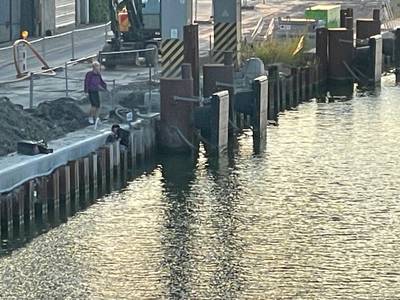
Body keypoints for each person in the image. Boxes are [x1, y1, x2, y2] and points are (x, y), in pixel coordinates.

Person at [84, 61, 107, 128]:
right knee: (94, 105)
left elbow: (101, 81)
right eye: (98, 66)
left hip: (96, 90)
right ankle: (90, 117)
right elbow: (86, 82)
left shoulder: (98, 74)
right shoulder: (89, 74)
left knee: (98, 105)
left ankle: (96, 118)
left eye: (99, 66)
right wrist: (86, 91)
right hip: (91, 91)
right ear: (94, 67)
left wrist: (104, 86)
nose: (99, 68)